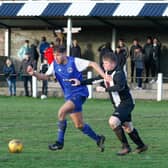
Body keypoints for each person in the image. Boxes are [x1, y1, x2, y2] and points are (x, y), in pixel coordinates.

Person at [27, 46, 107, 152]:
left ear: (65, 54)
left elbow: (93, 64)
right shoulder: (54, 65)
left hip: (79, 94)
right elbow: (45, 77)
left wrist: (105, 77)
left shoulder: (74, 61)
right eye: (54, 55)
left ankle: (59, 142)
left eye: (58, 55)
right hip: (69, 96)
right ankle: (98, 139)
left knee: (61, 112)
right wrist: (34, 73)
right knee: (79, 125)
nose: (56, 57)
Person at [71, 52, 148, 156]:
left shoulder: (119, 73)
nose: (103, 65)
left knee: (113, 121)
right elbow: (95, 80)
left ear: (113, 64)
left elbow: (120, 87)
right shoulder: (106, 72)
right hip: (118, 104)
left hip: (126, 103)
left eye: (105, 63)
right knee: (128, 127)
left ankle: (125, 147)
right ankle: (141, 146)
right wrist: (80, 82)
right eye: (103, 63)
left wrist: (105, 89)